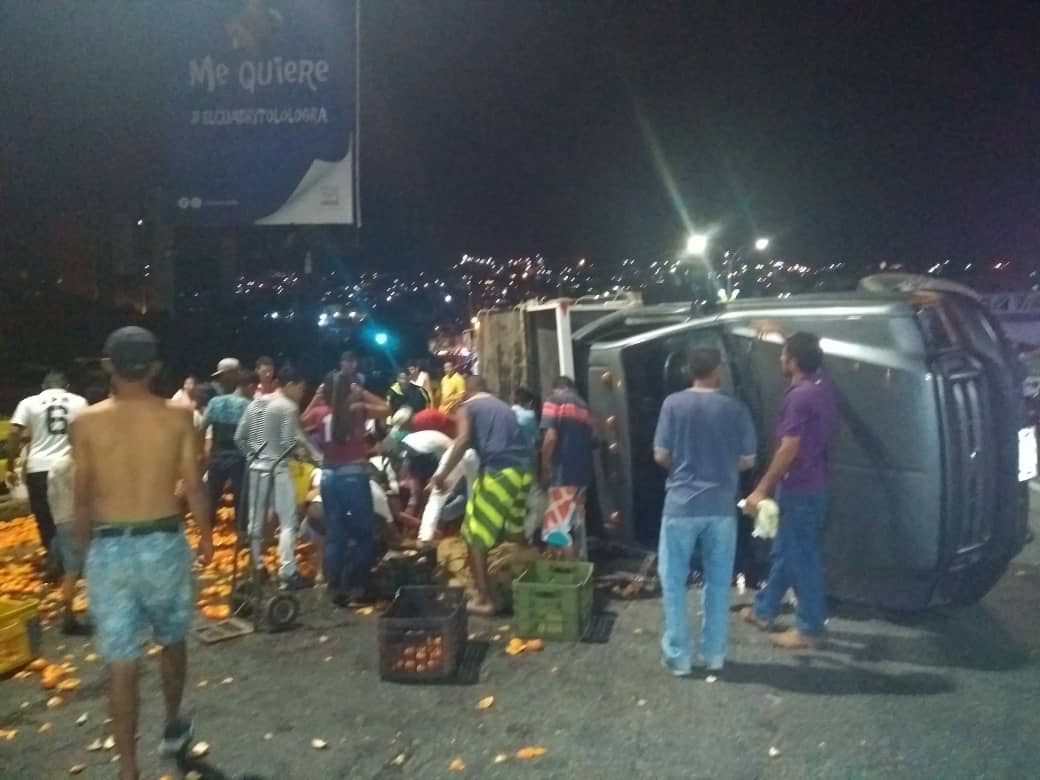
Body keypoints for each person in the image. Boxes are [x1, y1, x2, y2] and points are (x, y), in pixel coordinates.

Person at [70, 326, 212, 780]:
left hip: (110, 547)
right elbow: (192, 485)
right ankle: (172, 724)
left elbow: (82, 493)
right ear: (154, 368)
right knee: (172, 639)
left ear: (108, 366)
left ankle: (128, 769)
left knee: (120, 662)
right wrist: (207, 535)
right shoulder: (178, 416)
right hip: (163, 541)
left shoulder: (86, 422)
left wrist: (83, 544)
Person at [653, 348, 757, 676]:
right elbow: (748, 460)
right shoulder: (735, 408)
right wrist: (723, 467)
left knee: (673, 580)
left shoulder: (673, 404)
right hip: (722, 507)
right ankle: (714, 655)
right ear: (718, 370)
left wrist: (685, 468)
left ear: (690, 370)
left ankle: (680, 657)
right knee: (717, 581)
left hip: (681, 505)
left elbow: (660, 455)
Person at [741, 332, 838, 650]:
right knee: (786, 551)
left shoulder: (799, 397)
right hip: (815, 484)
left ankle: (810, 628)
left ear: (794, 361)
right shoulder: (822, 387)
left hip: (799, 488)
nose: (780, 359)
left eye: (784, 355)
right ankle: (764, 609)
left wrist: (762, 488)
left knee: (803, 559)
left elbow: (789, 447)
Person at [432, 376, 532, 615]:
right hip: (523, 472)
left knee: (475, 537)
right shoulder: (504, 407)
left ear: (467, 392)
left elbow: (463, 440)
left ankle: (485, 599)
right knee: (515, 533)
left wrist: (441, 474)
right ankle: (531, 582)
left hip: (499, 474)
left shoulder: (469, 407)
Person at [235, 365, 321, 590]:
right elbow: (300, 440)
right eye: (301, 389)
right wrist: (319, 458)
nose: (302, 394)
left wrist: (253, 457)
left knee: (256, 520)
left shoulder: (256, 403)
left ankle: (256, 567)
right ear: (290, 385)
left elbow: (239, 437)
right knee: (288, 522)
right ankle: (288, 571)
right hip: (279, 468)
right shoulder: (287, 406)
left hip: (256, 469)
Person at [316, 351, 389, 605]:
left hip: (327, 476)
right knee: (364, 534)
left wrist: (317, 398)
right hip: (353, 477)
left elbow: (299, 421)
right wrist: (361, 393)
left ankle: (335, 586)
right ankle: (356, 584)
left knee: (335, 533)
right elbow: (387, 407)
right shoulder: (357, 410)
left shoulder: (320, 413)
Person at [4, 372, 88, 574]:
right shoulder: (79, 402)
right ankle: (77, 561)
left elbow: (15, 433)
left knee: (45, 517)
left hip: (39, 467)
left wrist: (11, 463)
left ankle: (55, 561)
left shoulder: (29, 403)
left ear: (43, 386)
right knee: (73, 515)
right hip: (69, 466)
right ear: (66, 386)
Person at [540, 377, 597, 560]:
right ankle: (581, 574)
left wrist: (545, 465)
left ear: (558, 387)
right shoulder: (586, 408)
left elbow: (550, 437)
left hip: (563, 475)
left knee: (556, 531)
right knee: (576, 528)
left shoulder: (554, 400)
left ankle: (567, 579)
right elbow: (595, 441)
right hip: (583, 479)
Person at [201, 367, 256, 531]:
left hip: (217, 455)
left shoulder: (214, 403)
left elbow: (202, 427)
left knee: (211, 497)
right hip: (239, 457)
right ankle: (241, 535)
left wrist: (201, 452)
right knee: (240, 499)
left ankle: (206, 534)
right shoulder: (247, 405)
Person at [46, 452, 91, 635]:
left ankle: (69, 615)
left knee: (70, 571)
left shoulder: (56, 466)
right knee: (80, 570)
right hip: (77, 520)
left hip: (61, 520)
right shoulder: (77, 466)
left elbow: (50, 497)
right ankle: (73, 617)